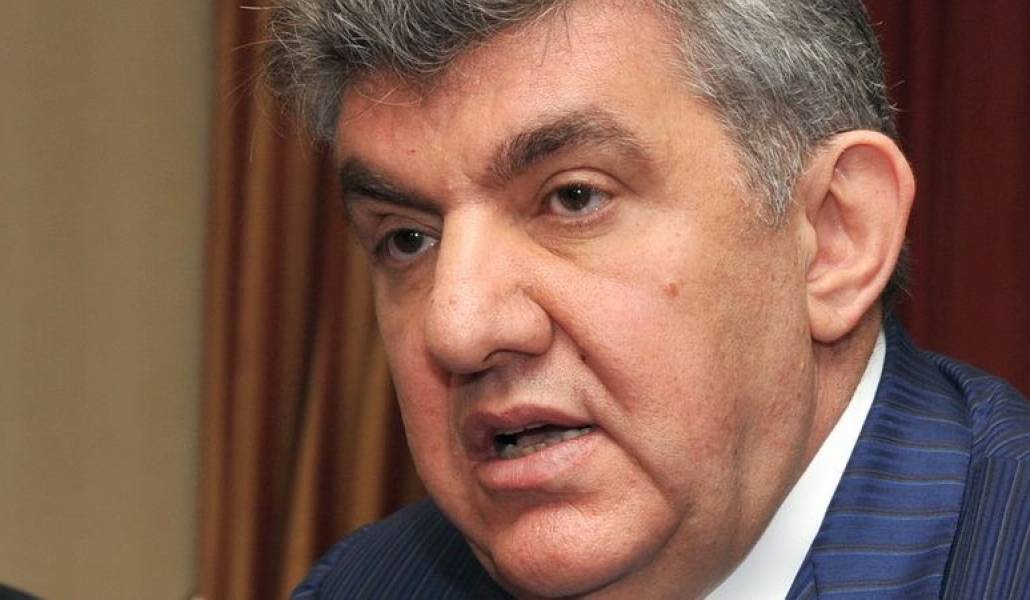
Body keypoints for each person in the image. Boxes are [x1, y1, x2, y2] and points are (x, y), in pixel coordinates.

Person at [264, 1, 1030, 598]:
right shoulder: (367, 585)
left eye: (573, 197)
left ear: (835, 238)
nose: (458, 327)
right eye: (407, 239)